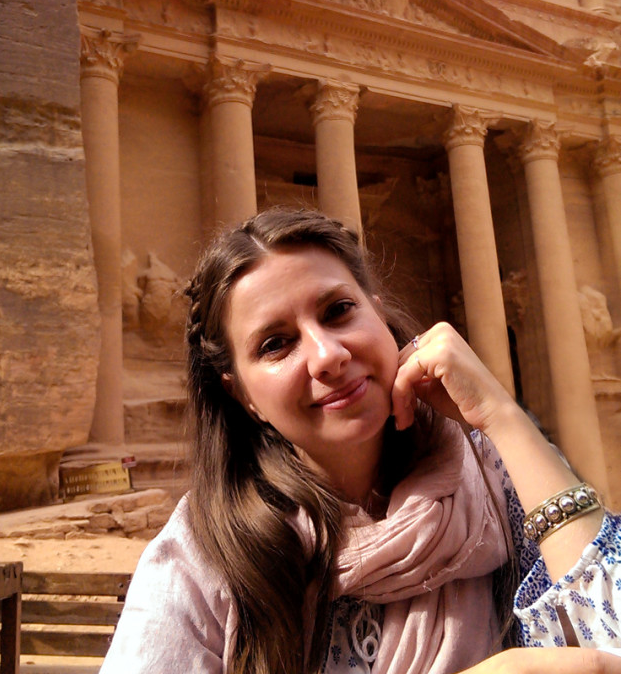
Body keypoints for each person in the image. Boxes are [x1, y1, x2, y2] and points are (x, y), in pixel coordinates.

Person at [101, 207, 621, 674]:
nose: (327, 354)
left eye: (338, 311)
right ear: (242, 397)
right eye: (276, 344)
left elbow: (612, 638)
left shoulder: (494, 478)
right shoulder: (203, 555)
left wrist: (504, 416)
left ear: (378, 314)